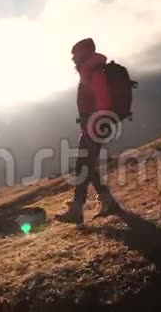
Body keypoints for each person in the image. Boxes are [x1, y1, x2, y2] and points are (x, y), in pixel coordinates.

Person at [55, 38, 121, 224]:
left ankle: (77, 210)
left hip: (95, 127)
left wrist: (93, 122)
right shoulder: (89, 72)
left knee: (83, 166)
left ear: (83, 54)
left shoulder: (94, 73)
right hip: (91, 127)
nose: (73, 59)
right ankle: (108, 203)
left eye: (75, 54)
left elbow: (104, 102)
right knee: (85, 166)